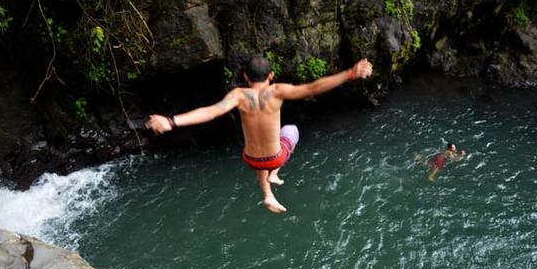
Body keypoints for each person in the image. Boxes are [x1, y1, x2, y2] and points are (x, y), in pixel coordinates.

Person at [146, 55, 373, 213]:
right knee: (291, 130)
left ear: (246, 76)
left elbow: (212, 112)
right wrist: (349, 73)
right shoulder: (277, 91)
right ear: (271, 75)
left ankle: (267, 194)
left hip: (251, 159)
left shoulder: (238, 95)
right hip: (275, 157)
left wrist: (172, 121)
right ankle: (274, 173)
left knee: (258, 154)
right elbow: (313, 87)